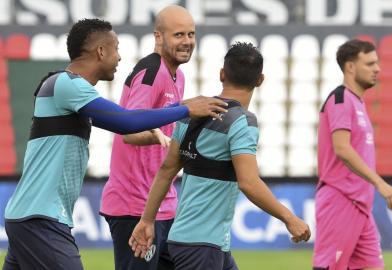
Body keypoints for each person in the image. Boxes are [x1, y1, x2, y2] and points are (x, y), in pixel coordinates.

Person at [2, 18, 227, 270]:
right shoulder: (66, 85)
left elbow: (127, 120)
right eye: (116, 48)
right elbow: (125, 122)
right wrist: (185, 108)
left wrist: (174, 113)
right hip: (40, 219)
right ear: (101, 51)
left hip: (29, 216)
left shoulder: (71, 91)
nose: (119, 57)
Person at [128, 42, 311, 270]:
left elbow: (166, 170)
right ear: (260, 80)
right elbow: (249, 182)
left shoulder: (190, 112)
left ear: (222, 74)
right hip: (201, 247)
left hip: (194, 240)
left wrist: (147, 220)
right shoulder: (243, 122)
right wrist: (289, 218)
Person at [99, 5, 196, 270]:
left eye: (191, 34)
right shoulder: (151, 71)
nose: (187, 41)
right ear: (158, 37)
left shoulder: (179, 76)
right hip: (135, 207)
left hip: (161, 205)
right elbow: (129, 130)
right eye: (178, 35)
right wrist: (158, 137)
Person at [312, 39, 392, 270]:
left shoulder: (357, 103)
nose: (377, 69)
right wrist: (379, 183)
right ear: (351, 67)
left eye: (377, 63)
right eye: (370, 63)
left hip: (361, 204)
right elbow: (342, 148)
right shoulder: (340, 99)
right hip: (341, 199)